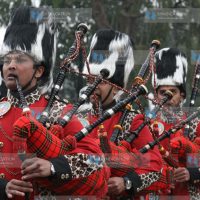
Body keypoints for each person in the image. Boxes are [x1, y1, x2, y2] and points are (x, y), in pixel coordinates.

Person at [0, 6, 109, 199]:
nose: (11, 65)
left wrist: (53, 167)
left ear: (39, 71)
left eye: (20, 59)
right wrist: (3, 187)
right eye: (7, 60)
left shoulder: (61, 111)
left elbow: (97, 163)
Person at [78, 29, 163, 199]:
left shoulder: (134, 120)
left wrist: (126, 182)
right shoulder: (78, 117)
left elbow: (155, 165)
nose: (92, 87)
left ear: (116, 87)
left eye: (100, 82)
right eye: (90, 80)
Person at [147, 47, 200, 199]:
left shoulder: (195, 125)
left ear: (182, 96)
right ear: (156, 96)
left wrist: (192, 172)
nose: (168, 97)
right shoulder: (145, 126)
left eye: (173, 92)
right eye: (163, 93)